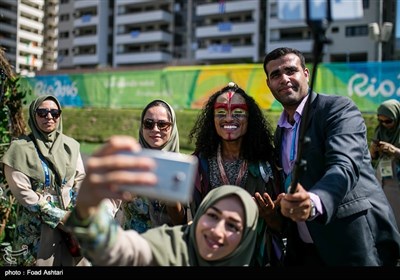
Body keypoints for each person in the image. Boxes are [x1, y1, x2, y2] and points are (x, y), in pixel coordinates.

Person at [263, 47, 400, 266]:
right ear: (269, 83)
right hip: (305, 246)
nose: (284, 79)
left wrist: (314, 201)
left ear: (306, 74)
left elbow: (344, 165)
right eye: (275, 74)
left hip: (351, 240)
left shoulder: (337, 109)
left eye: (291, 70)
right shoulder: (280, 131)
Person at [65, 135, 259, 266]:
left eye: (233, 226)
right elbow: (117, 251)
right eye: (213, 216)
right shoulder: (169, 248)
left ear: (246, 239)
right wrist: (87, 207)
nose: (217, 231)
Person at [186, 82, 284, 266]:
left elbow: (282, 228)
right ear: (212, 120)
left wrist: (271, 216)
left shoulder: (269, 162)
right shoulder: (199, 164)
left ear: (250, 118)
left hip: (258, 257)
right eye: (221, 113)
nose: (229, 118)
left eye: (238, 113)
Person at [1, 95, 90, 266]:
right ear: (34, 116)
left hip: (69, 232)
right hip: (36, 232)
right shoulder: (19, 149)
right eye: (42, 113)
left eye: (54, 113)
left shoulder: (70, 146)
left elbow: (80, 179)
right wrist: (62, 217)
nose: (49, 117)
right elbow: (25, 195)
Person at [118, 99, 186, 232]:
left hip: (166, 247)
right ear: (142, 126)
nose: (155, 129)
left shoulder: (183, 166)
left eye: (162, 124)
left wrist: (171, 198)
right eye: (148, 124)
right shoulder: (128, 161)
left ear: (172, 128)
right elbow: (110, 202)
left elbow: (182, 222)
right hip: (130, 245)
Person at [369, 99, 400, 227]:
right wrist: (373, 151)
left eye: (388, 121)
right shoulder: (380, 131)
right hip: (381, 182)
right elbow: (372, 159)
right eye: (381, 121)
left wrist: (394, 151)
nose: (384, 124)